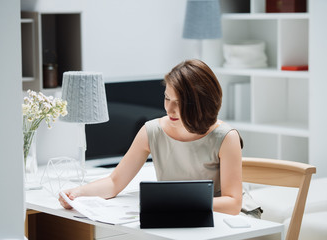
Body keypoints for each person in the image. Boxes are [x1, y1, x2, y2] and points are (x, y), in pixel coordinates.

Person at [59, 59, 261, 217]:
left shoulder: (226, 137)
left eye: (179, 102)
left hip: (227, 219)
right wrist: (77, 193)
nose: (169, 109)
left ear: (199, 103)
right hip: (181, 216)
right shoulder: (152, 131)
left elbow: (233, 204)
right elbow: (114, 182)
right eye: (167, 98)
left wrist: (176, 204)